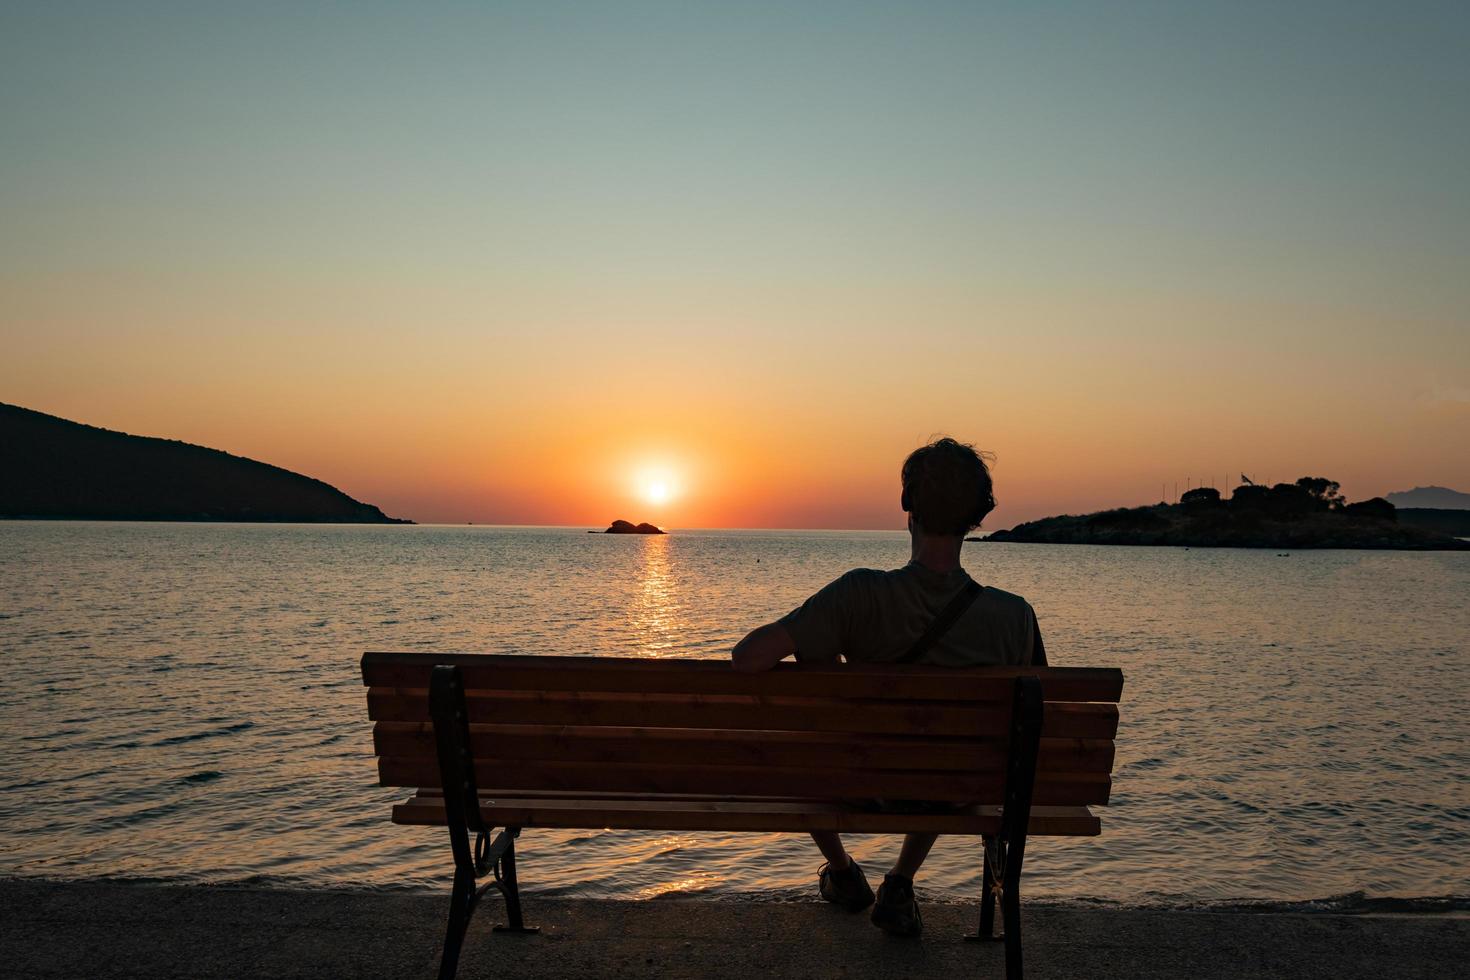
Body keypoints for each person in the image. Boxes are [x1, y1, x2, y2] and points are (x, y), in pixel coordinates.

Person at [730, 437, 1046, 937]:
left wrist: (823, 663)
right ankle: (899, 883)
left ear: (907, 506)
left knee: (803, 747)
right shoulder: (1014, 616)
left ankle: (841, 873)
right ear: (976, 517)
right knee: (944, 753)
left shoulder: (859, 593)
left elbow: (748, 658)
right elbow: (1031, 726)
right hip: (956, 790)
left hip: (862, 784)